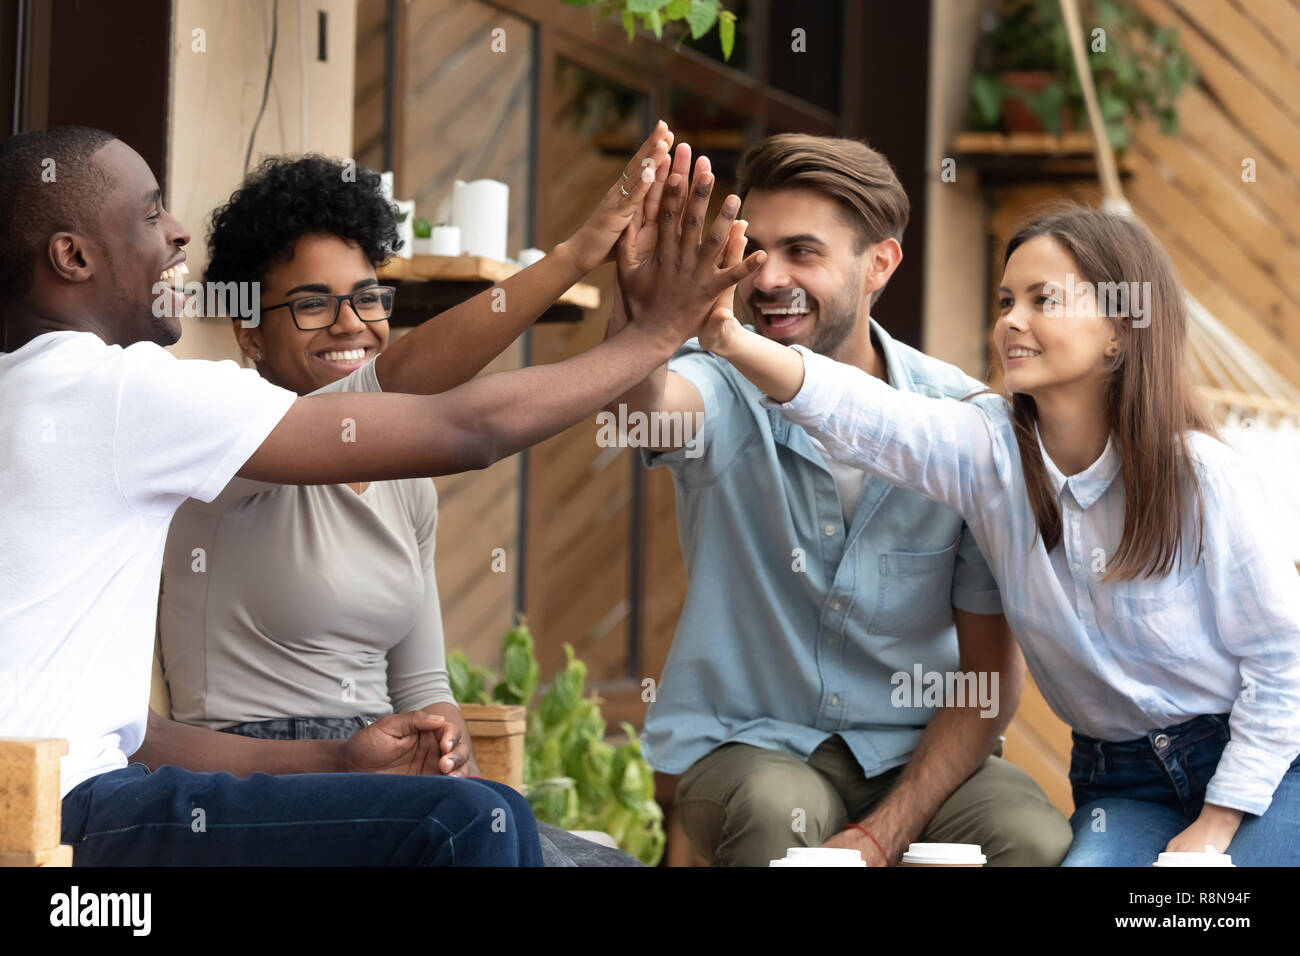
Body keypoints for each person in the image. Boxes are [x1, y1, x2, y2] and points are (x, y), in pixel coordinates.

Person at [0, 124, 761, 865]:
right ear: (71, 256)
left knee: (535, 835)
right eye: (149, 211)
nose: (176, 233)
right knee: (475, 827)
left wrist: (345, 757)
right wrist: (652, 333)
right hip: (82, 811)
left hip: (111, 793)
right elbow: (459, 423)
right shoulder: (125, 396)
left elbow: (138, 736)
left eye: (368, 297)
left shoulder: (49, 395)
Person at [700, 201, 1300, 865]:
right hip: (1125, 782)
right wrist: (729, 341)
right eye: (1006, 299)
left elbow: (1285, 664)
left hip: (1267, 765)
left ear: (1119, 333)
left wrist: (1217, 825)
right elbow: (864, 416)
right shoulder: (989, 453)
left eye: (1044, 299)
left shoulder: (1203, 478)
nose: (1011, 320)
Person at [156, 141, 681, 866]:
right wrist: (573, 258)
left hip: (387, 764)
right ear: (250, 333)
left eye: (368, 297)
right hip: (263, 782)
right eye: (313, 304)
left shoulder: (405, 482)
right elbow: (399, 388)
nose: (351, 324)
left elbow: (422, 681)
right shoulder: (226, 449)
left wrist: (446, 738)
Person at [607, 133, 1072, 866]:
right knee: (778, 812)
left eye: (803, 252)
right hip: (750, 748)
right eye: (753, 250)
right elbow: (647, 411)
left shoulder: (959, 421)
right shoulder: (721, 378)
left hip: (917, 756)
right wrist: (643, 323)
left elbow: (986, 678)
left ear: (880, 264)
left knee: (1032, 839)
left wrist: (885, 833)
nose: (768, 277)